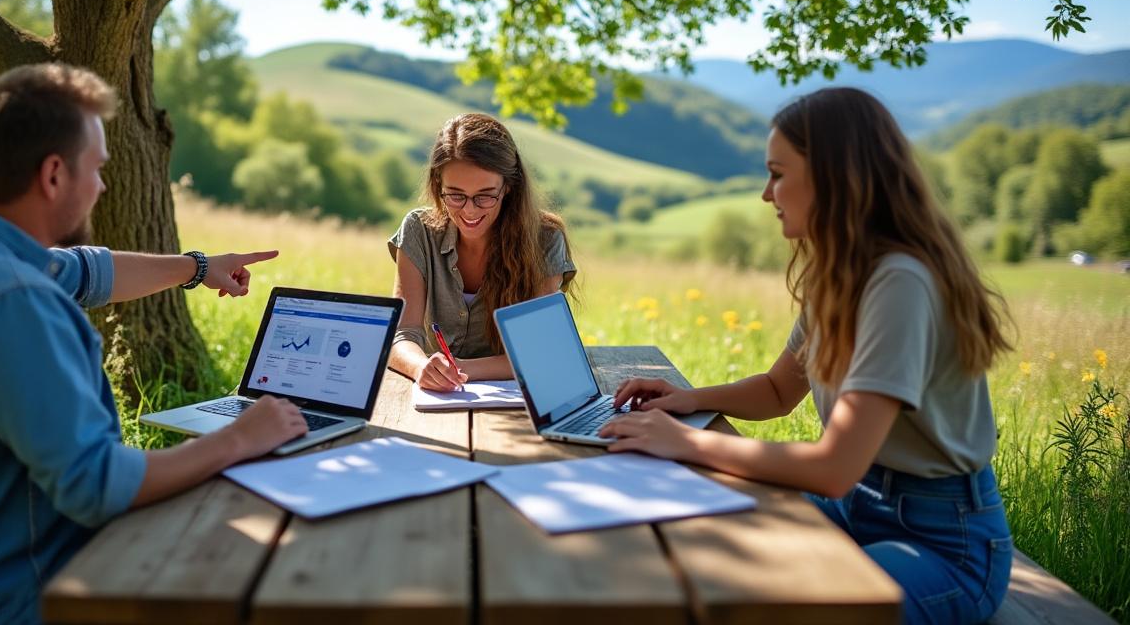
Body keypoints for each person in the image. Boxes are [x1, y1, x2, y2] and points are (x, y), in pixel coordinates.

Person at [0, 64, 308, 625]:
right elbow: (97, 486)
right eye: (98, 168)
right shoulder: (12, 301)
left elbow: (89, 271)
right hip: (18, 595)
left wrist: (200, 268)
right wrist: (239, 437)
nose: (103, 186)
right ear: (54, 174)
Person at [602, 88, 1014, 624]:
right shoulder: (839, 276)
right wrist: (686, 400)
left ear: (833, 176)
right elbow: (777, 392)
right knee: (695, 543)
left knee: (800, 604)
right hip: (856, 507)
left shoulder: (900, 283)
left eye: (778, 173)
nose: (766, 194)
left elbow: (836, 467)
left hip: (943, 542)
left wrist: (687, 442)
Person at [388, 113, 577, 391]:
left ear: (509, 187)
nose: (469, 210)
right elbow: (401, 334)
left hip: (513, 401)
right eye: (455, 194)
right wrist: (420, 367)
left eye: (485, 195)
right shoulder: (418, 230)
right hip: (435, 394)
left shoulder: (546, 239)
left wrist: (459, 369)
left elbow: (538, 352)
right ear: (437, 185)